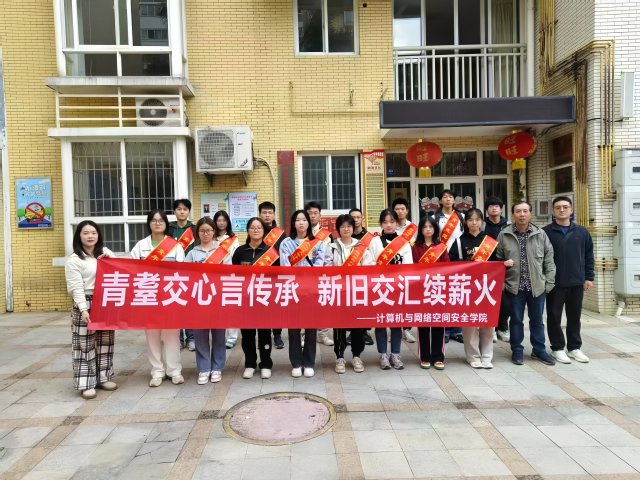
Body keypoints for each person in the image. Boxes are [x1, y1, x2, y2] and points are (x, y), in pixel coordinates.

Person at [450, 208, 513, 369]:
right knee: (470, 324)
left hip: (487, 287)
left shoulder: (489, 241)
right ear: (466, 222)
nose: (474, 223)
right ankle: (472, 356)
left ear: (482, 222)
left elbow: (497, 261)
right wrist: (470, 264)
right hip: (467, 287)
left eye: (477, 220)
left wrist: (504, 264)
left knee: (487, 322)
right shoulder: (459, 242)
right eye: (470, 220)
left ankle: (486, 356)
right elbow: (451, 264)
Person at [496, 201, 556, 366]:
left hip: (537, 287)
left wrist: (549, 283)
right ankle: (517, 350)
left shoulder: (540, 234)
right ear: (513, 214)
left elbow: (549, 260)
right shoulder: (504, 235)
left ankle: (539, 350)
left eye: (525, 211)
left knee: (537, 321)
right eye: (518, 211)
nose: (522, 214)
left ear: (530, 213)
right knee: (516, 320)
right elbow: (498, 261)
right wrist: (503, 285)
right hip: (514, 287)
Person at [130, 209, 185, 387]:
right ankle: (157, 372)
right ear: (149, 223)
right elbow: (131, 269)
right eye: (154, 220)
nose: (157, 223)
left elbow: (182, 272)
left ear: (166, 223)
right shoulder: (140, 246)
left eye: (161, 220)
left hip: (170, 297)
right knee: (152, 336)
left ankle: (174, 371)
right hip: (149, 297)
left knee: (172, 336)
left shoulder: (175, 246)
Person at [64, 221, 117, 399]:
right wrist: (83, 309)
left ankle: (104, 377)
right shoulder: (74, 260)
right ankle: (86, 382)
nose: (90, 236)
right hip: (85, 302)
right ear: (79, 236)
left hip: (105, 301)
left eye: (93, 232)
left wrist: (109, 259)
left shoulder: (105, 252)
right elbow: (76, 288)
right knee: (84, 344)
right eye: (85, 233)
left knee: (105, 341)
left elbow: (119, 271)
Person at [543, 196, 594, 364]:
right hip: (554, 283)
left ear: (571, 210)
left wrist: (589, 277)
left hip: (576, 282)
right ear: (553, 211)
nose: (562, 210)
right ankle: (557, 348)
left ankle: (574, 348)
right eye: (558, 207)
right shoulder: (545, 232)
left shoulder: (582, 232)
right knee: (554, 316)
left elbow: (588, 256)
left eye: (565, 207)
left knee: (574, 316)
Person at [279, 209, 326, 377]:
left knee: (311, 328)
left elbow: (320, 264)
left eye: (304, 220)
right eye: (298, 220)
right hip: (293, 290)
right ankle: (296, 363)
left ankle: (309, 362)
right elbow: (285, 266)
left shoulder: (317, 243)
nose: (301, 223)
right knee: (293, 329)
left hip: (311, 291)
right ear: (293, 223)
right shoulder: (286, 243)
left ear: (309, 223)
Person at [325, 214, 374, 373]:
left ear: (353, 228)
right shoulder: (332, 246)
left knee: (357, 326)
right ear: (338, 229)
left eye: (349, 226)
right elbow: (327, 267)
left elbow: (368, 267)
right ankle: (340, 357)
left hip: (357, 292)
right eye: (342, 226)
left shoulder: (361, 247)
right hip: (339, 292)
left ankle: (357, 356)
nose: (346, 229)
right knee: (339, 326)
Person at [184, 217, 228, 384]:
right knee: (200, 336)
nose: (205, 234)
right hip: (199, 300)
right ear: (198, 233)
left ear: (214, 232)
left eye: (208, 230)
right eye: (202, 231)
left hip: (218, 299)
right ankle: (203, 368)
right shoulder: (192, 253)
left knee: (219, 335)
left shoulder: (222, 252)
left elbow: (229, 274)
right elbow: (186, 276)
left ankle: (217, 367)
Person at [233, 217, 278, 379]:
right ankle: (250, 363)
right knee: (247, 335)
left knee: (265, 333)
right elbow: (234, 276)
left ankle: (266, 363)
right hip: (246, 300)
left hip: (264, 299)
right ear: (248, 230)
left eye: (259, 227)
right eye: (252, 227)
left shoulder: (271, 252)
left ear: (264, 231)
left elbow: (276, 277)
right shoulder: (239, 252)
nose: (256, 230)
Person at [369, 209, 414, 370]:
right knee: (381, 322)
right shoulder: (375, 242)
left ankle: (395, 354)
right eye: (385, 222)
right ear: (381, 224)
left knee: (396, 322)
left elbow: (408, 266)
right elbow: (370, 263)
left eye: (392, 222)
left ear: (397, 223)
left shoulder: (403, 242)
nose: (389, 225)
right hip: (380, 288)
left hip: (398, 288)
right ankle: (382, 354)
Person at [411, 216, 449, 370]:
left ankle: (438, 356)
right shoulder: (415, 247)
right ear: (421, 230)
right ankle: (425, 356)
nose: (428, 229)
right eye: (425, 227)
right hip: (421, 289)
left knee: (439, 323)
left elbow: (447, 267)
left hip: (438, 289)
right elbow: (412, 267)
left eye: (430, 227)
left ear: (435, 229)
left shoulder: (441, 246)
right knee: (424, 323)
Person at [433, 190, 465, 344]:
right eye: (445, 197)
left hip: (458, 256)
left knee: (457, 293)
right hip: (442, 257)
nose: (448, 199)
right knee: (443, 294)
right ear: (440, 201)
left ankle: (457, 330)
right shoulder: (435, 217)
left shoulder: (461, 216)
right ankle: (445, 330)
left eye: (450, 197)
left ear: (454, 200)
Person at [169, 198, 197, 352]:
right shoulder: (169, 229)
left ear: (188, 211)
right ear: (174, 211)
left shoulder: (194, 229)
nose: (182, 212)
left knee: (190, 307)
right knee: (176, 306)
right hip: (173, 273)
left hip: (191, 272)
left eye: (185, 209)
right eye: (179, 209)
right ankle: (178, 339)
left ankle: (191, 338)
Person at [305, 201, 334, 347]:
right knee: (305, 306)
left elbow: (330, 256)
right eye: (309, 213)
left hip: (322, 276)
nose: (312, 216)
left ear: (320, 215)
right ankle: (305, 335)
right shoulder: (301, 232)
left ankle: (323, 334)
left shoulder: (326, 235)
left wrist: (325, 273)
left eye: (315, 213)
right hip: (305, 276)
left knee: (323, 305)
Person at [211, 210, 240, 349]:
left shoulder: (233, 239)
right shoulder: (212, 238)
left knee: (230, 307)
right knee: (217, 307)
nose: (221, 223)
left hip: (230, 276)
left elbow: (236, 257)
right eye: (219, 220)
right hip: (214, 277)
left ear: (228, 222)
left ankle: (232, 336)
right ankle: (219, 336)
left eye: (224, 220)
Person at [259, 201, 285, 350]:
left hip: (276, 274)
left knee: (276, 307)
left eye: (270, 212)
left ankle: (277, 334)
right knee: (262, 306)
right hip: (260, 275)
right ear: (260, 214)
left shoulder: (280, 234)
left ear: (274, 215)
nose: (267, 215)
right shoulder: (256, 230)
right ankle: (264, 336)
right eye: (264, 212)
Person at [484, 196, 511, 343]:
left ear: (501, 209)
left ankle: (503, 327)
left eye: (497, 206)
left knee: (506, 302)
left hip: (505, 266)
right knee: (489, 298)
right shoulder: (482, 225)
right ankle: (492, 328)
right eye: (491, 206)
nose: (494, 208)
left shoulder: (508, 225)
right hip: (487, 267)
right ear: (486, 209)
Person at [391, 198, 417, 344]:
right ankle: (394, 330)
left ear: (407, 211)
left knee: (407, 300)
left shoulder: (413, 228)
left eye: (402, 209)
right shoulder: (391, 226)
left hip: (409, 266)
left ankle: (407, 330)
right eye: (397, 209)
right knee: (394, 300)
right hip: (393, 268)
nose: (400, 212)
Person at [347, 207, 374, 346]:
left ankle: (364, 332)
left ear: (362, 219)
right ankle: (352, 332)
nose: (356, 220)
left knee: (364, 305)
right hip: (349, 277)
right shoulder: (346, 236)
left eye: (358, 217)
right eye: (353, 217)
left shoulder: (370, 238)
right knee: (352, 305)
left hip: (365, 277)